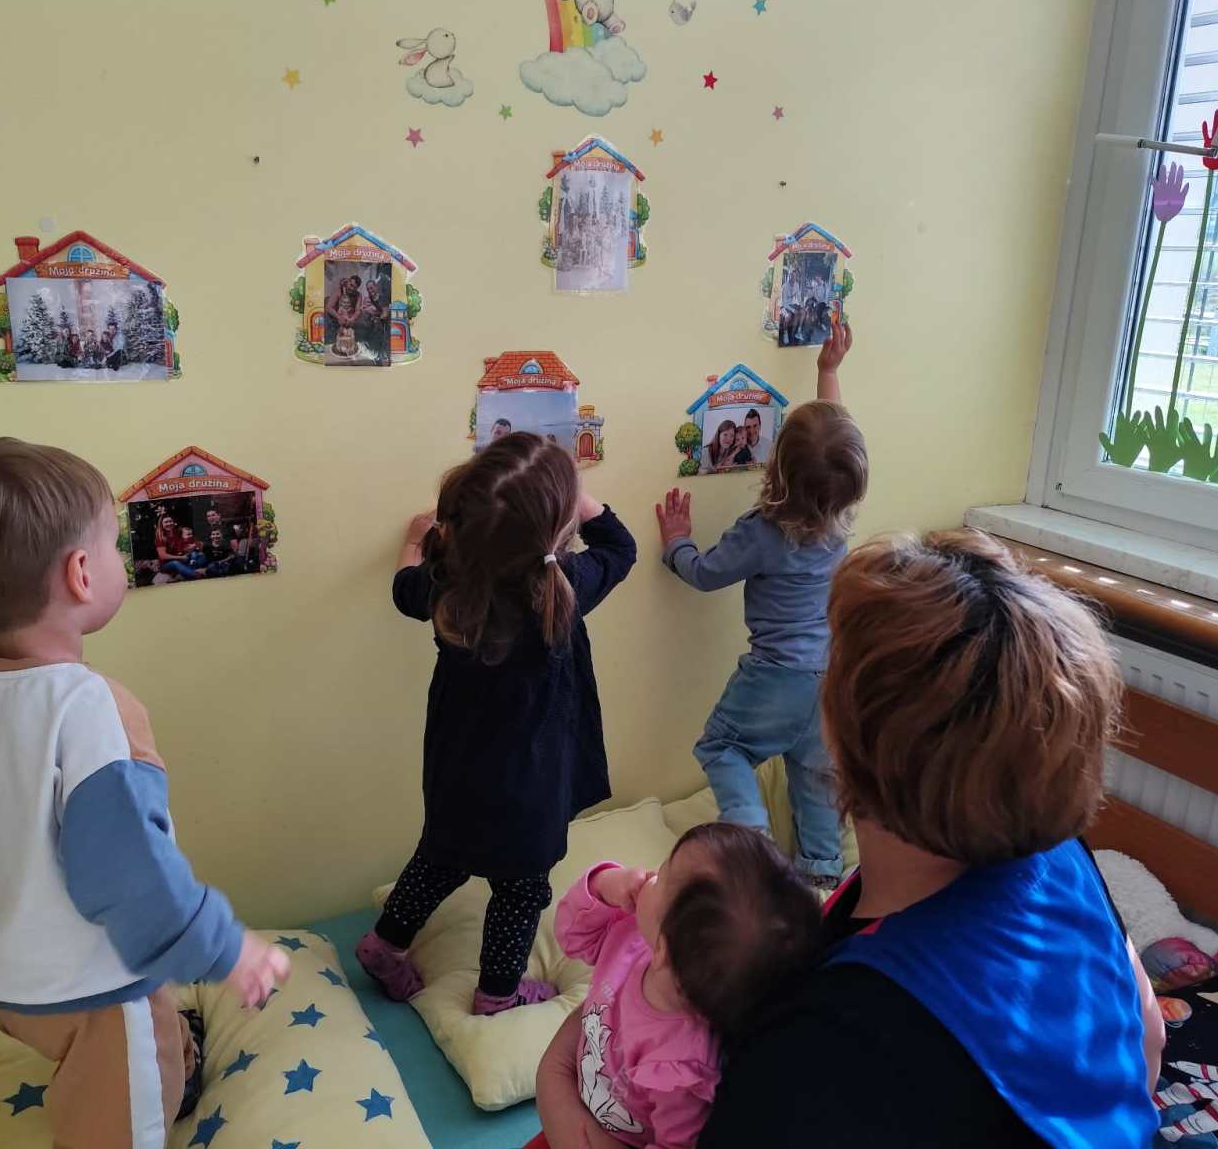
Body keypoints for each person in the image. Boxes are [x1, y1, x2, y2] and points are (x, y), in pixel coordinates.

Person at [0, 438, 289, 1149]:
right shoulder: (89, 711)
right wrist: (227, 949)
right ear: (81, 573)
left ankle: (172, 1053)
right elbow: (129, 873)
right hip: (97, 993)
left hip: (10, 981)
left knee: (141, 1042)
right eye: (113, 543)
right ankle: (159, 1074)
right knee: (122, 1114)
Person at [692, 529, 1165, 1147]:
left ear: (844, 736)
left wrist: (570, 1093)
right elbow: (1148, 1037)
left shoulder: (817, 1046)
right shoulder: (1063, 861)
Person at [356, 432, 637, 1016]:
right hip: (532, 786)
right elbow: (621, 546)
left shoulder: (447, 585)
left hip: (457, 767)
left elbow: (403, 590)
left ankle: (383, 945)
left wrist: (412, 544)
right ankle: (497, 995)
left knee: (440, 857)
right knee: (521, 887)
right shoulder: (566, 587)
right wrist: (579, 499)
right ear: (555, 529)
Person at [656, 324, 866, 889]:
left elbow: (705, 574)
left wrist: (677, 543)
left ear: (775, 468)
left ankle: (751, 840)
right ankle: (822, 874)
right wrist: (828, 371)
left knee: (721, 745)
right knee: (816, 776)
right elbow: (833, 451)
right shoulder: (840, 520)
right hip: (831, 677)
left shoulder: (763, 532)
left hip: (776, 676)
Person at [530, 825, 821, 1149]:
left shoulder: (681, 1070)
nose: (651, 874)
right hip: (575, 1088)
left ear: (663, 949)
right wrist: (602, 884)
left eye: (664, 873)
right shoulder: (635, 931)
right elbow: (572, 937)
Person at [154, 515, 200, 581]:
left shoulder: (178, 532)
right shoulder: (160, 538)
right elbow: (163, 556)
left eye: (170, 521)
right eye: (166, 522)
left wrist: (193, 546)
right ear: (161, 524)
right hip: (167, 564)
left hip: (182, 558)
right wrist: (181, 557)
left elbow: (190, 539)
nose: (169, 523)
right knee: (175, 563)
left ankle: (185, 572)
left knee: (199, 556)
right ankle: (196, 575)